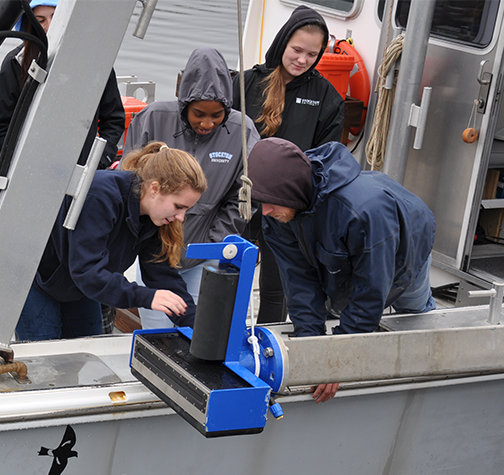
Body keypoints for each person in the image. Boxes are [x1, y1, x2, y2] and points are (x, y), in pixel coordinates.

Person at [248, 137, 436, 403]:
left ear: (293, 190)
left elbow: (371, 289)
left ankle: (424, 386)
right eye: (261, 201)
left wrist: (339, 357)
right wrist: (314, 349)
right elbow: (298, 282)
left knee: (415, 315)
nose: (265, 211)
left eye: (271, 202)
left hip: (404, 253)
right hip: (336, 255)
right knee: (331, 307)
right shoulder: (279, 214)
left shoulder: (364, 210)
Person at [123, 47, 260, 329]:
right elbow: (130, 182)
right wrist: (148, 237)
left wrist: (212, 244)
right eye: (198, 113)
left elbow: (244, 197)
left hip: (204, 258)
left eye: (217, 115)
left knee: (199, 332)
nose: (207, 123)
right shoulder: (152, 117)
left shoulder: (244, 131)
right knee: (156, 336)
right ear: (184, 103)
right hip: (154, 255)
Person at [15, 142, 208, 341]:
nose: (181, 217)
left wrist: (200, 327)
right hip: (36, 278)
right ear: (154, 189)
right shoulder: (101, 196)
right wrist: (147, 297)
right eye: (178, 206)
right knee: (44, 352)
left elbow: (162, 276)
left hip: (78, 285)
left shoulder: (155, 217)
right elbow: (86, 270)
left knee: (86, 348)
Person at [232, 5, 345, 325]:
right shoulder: (247, 83)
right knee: (230, 275)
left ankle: (267, 339)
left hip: (285, 208)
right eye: (297, 50)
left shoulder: (326, 98)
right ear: (282, 43)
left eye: (312, 54)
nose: (302, 60)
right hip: (241, 198)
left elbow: (327, 160)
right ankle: (221, 339)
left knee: (275, 286)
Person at [0, 0, 125, 169]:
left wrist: (97, 162)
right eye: (41, 20)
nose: (50, 25)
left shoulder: (95, 60)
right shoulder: (16, 63)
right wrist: (24, 166)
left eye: (56, 16)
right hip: (30, 172)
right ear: (30, 24)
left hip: (81, 172)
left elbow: (113, 119)